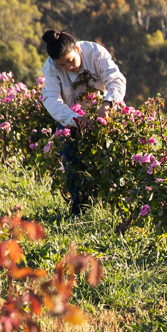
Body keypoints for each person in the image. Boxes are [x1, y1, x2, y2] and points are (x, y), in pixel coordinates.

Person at [39, 29, 127, 216]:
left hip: (104, 111)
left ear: (77, 50)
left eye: (70, 61)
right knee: (71, 161)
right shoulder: (51, 67)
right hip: (71, 117)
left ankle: (113, 206)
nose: (68, 67)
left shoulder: (96, 53)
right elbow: (51, 99)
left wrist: (107, 104)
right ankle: (79, 208)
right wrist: (74, 119)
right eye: (62, 65)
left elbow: (116, 80)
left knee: (110, 158)